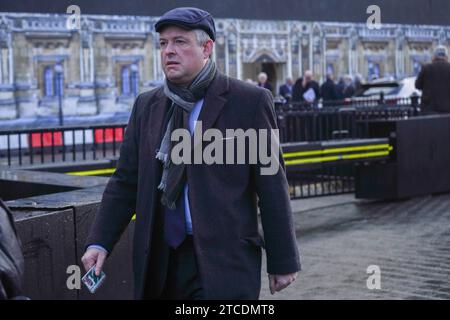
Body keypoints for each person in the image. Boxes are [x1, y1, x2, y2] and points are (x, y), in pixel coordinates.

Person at [82, 7, 300, 300]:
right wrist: (100, 242)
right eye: (163, 43)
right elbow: (126, 181)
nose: (169, 51)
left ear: (206, 47)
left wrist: (282, 260)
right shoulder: (147, 106)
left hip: (223, 260)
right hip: (159, 260)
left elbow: (271, 184)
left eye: (180, 42)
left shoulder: (249, 102)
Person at [415, 45, 450, 114]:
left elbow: (417, 85)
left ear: (434, 57)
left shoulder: (426, 68)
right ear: (446, 57)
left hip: (429, 110)